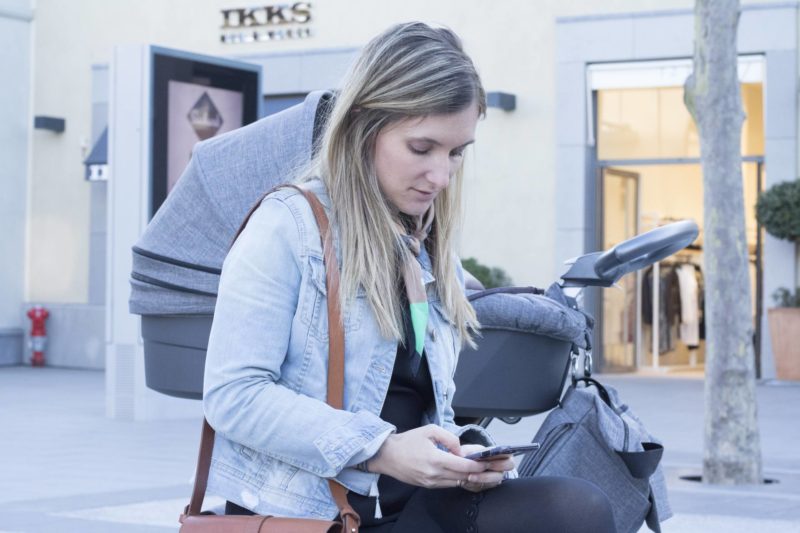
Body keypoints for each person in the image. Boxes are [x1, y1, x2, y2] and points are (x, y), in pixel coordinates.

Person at [203, 21, 617, 532]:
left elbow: (417, 405)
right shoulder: (286, 226)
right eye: (422, 148)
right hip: (317, 514)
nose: (442, 176)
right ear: (363, 126)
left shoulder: (423, 244)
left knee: (577, 508)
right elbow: (234, 396)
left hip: (408, 504)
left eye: (457, 152)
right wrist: (379, 449)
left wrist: (464, 455)